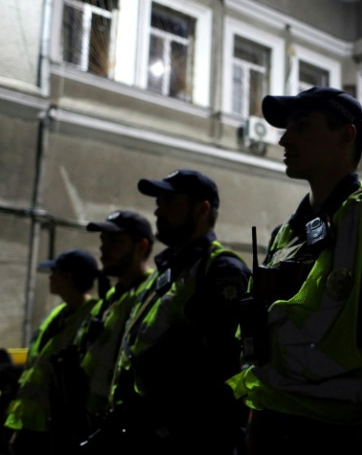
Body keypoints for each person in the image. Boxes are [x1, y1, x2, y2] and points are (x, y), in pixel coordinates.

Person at [226, 86, 362, 455]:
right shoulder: (285, 235)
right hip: (276, 429)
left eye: (303, 126)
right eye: (286, 128)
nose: (284, 138)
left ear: (346, 135)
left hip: (350, 436)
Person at [84, 170, 252, 455]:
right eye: (158, 202)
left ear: (202, 209)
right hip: (143, 431)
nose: (158, 210)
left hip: (188, 439)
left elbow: (228, 368)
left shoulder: (220, 270)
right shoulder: (167, 273)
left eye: (170, 202)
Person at [4, 249, 100, 455]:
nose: (50, 276)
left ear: (68, 277)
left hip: (60, 427)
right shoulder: (58, 312)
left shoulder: (94, 314)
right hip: (33, 424)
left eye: (54, 271)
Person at [72, 210, 156, 439]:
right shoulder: (110, 297)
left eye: (115, 241)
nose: (103, 248)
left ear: (141, 246)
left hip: (124, 427)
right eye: (103, 240)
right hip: (90, 421)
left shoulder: (153, 295)